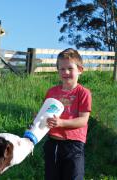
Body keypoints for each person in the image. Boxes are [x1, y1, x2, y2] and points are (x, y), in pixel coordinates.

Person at [43, 48, 92, 180]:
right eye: (62, 69)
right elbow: (45, 114)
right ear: (58, 70)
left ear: (80, 70)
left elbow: (83, 120)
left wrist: (61, 123)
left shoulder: (83, 93)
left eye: (70, 68)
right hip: (52, 143)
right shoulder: (51, 92)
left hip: (74, 145)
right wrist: (39, 119)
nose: (66, 72)